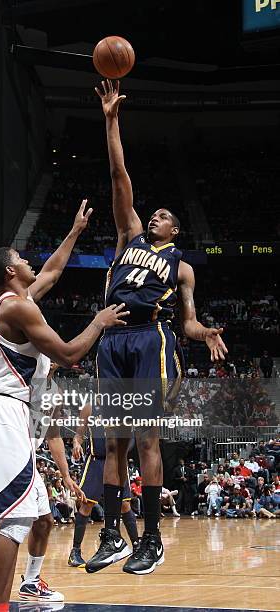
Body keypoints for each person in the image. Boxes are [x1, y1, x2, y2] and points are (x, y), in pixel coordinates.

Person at [0, 202, 129, 611]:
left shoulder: (16, 301)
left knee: (38, 516)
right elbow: (68, 355)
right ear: (10, 271)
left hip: (12, 417)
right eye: (22, 258)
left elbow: (53, 272)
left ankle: (28, 586)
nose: (31, 262)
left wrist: (75, 230)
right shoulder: (18, 306)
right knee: (11, 522)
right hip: (3, 414)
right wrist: (98, 322)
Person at [86, 79, 227, 576]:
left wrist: (206, 333)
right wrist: (111, 120)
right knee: (113, 442)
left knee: (146, 440)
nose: (157, 215)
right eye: (156, 211)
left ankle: (151, 540)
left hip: (152, 337)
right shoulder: (128, 236)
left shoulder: (181, 265)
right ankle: (110, 534)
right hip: (113, 339)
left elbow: (186, 322)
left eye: (166, 215)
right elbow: (119, 173)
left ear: (175, 231)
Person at [68, 403, 139, 568]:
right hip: (96, 461)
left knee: (125, 504)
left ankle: (137, 546)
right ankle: (75, 552)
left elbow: (131, 439)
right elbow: (79, 435)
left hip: (116, 461)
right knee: (86, 505)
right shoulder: (90, 408)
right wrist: (76, 444)